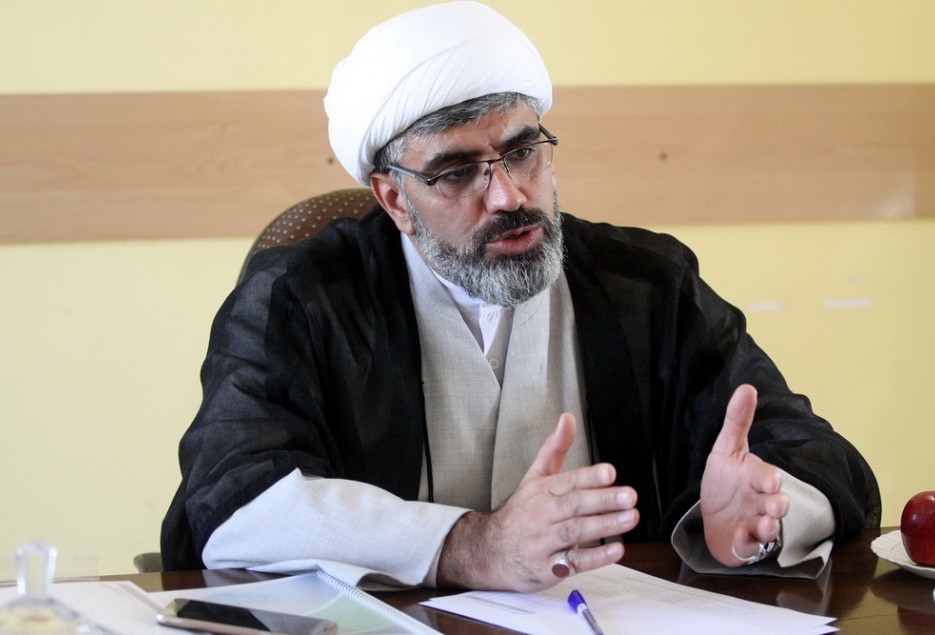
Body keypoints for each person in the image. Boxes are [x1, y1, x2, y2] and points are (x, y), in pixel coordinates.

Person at [161, 1, 879, 591]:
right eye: (456, 171)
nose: (508, 195)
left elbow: (812, 452)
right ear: (394, 198)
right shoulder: (303, 296)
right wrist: (472, 545)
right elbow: (233, 497)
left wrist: (758, 517)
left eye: (522, 151)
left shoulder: (647, 285)